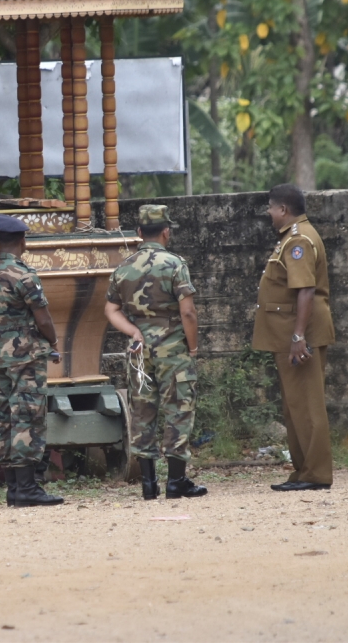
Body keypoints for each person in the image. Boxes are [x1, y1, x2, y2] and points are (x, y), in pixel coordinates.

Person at [105, 205, 206, 500]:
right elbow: (187, 312)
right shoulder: (174, 264)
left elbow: (110, 309)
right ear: (166, 232)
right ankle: (176, 482)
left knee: (142, 411)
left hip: (138, 350)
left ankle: (148, 485)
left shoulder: (123, 267)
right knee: (178, 410)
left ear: (138, 233)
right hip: (173, 347)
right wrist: (193, 346)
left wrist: (133, 331)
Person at [253, 184, 336, 492]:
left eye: (271, 209)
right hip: (291, 332)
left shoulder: (298, 240)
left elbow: (305, 289)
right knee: (295, 405)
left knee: (308, 404)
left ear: (283, 210)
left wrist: (298, 335)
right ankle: (304, 471)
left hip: (301, 333)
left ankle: (315, 474)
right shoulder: (294, 236)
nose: (270, 214)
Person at [0, 214, 64, 507]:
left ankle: (15, 489)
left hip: (2, 357)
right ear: (22, 241)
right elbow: (43, 318)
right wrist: (53, 342)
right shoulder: (24, 276)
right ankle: (28, 488)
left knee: (7, 416)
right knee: (28, 416)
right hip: (27, 356)